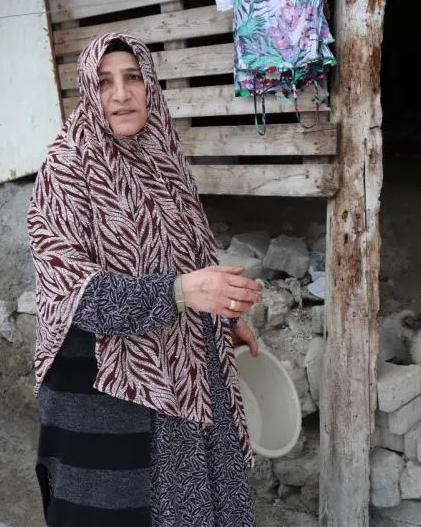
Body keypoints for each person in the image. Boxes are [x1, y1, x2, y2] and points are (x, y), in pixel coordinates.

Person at [26, 32, 263, 527]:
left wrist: (221, 320)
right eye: (104, 81)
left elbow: (189, 253)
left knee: (201, 503)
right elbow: (76, 296)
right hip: (112, 385)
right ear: (88, 91)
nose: (121, 94)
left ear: (150, 85)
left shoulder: (162, 154)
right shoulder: (66, 169)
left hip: (187, 368)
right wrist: (181, 292)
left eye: (132, 77)